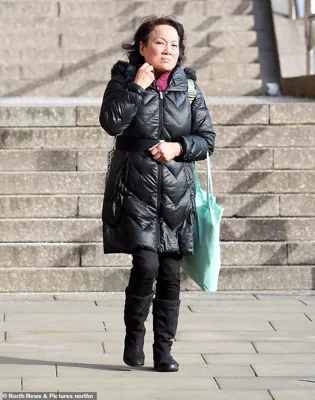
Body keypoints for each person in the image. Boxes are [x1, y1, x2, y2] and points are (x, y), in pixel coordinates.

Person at [99, 15, 215, 372]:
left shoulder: (189, 89)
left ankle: (163, 350)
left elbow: (207, 138)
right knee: (146, 264)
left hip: (177, 196)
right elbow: (111, 123)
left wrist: (179, 148)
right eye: (161, 42)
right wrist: (137, 87)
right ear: (143, 46)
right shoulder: (123, 80)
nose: (169, 49)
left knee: (169, 272)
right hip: (136, 189)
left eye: (175, 44)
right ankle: (134, 336)